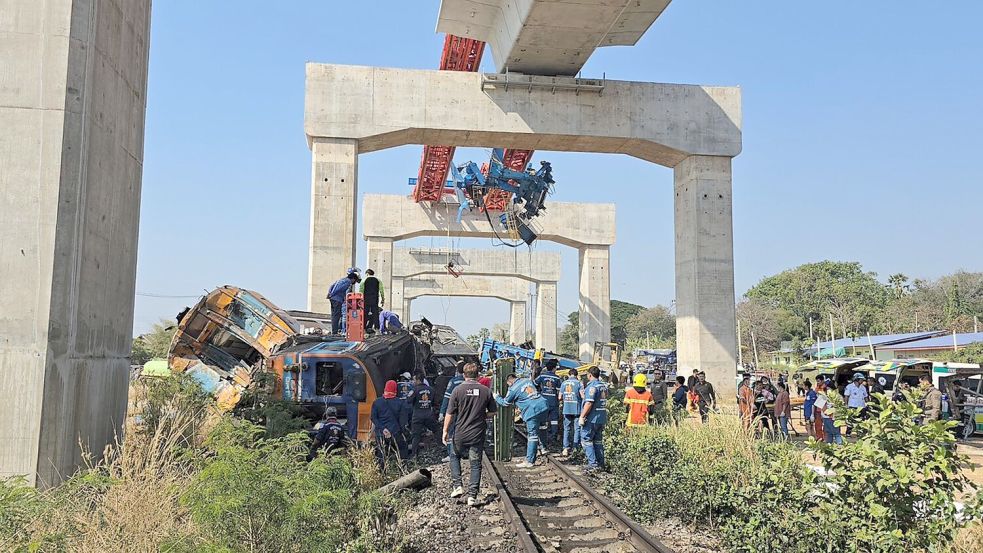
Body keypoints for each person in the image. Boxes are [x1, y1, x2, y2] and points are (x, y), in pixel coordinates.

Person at [443, 363, 497, 506]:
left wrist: (445, 431)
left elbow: (449, 413)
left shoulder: (457, 390)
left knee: (454, 456)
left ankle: (457, 485)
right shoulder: (485, 391)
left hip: (460, 432)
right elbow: (493, 412)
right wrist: (482, 415)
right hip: (477, 433)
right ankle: (472, 496)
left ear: (463, 375)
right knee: (475, 464)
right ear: (478, 375)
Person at [494, 372, 549, 468]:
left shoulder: (513, 389)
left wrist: (497, 397)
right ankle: (543, 448)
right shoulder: (527, 380)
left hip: (532, 410)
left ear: (509, 382)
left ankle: (530, 461)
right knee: (542, 427)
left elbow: (505, 403)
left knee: (532, 436)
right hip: (543, 405)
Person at [371, 380, 411, 465]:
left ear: (385, 388)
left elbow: (373, 418)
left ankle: (381, 473)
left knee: (381, 453)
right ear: (395, 390)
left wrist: (383, 429)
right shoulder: (400, 403)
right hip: (395, 433)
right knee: (402, 448)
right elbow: (403, 422)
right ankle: (402, 469)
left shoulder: (377, 402)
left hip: (380, 433)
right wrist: (403, 433)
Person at [579, 366, 609, 472]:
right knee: (598, 441)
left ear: (590, 375)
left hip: (592, 418)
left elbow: (589, 403)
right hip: (601, 417)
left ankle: (592, 464)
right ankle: (600, 463)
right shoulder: (603, 386)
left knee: (586, 439)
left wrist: (582, 416)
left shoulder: (592, 387)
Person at [408, 373, 441, 459]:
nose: (413, 381)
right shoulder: (431, 389)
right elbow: (436, 404)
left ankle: (414, 454)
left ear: (418, 380)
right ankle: (441, 447)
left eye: (414, 380)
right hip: (428, 414)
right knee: (437, 429)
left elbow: (408, 400)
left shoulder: (414, 390)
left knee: (416, 435)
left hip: (417, 416)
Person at [439, 363, 466, 461]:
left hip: (454, 411)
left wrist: (442, 412)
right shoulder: (468, 382)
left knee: (451, 432)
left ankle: (451, 455)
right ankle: (462, 452)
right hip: (466, 411)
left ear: (457, 371)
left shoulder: (453, 382)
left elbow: (447, 397)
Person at [534, 359, 563, 447]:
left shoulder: (542, 376)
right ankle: (553, 437)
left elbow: (534, 383)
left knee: (543, 420)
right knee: (554, 420)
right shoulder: (557, 378)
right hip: (553, 401)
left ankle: (543, 438)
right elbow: (559, 391)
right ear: (554, 368)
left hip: (543, 401)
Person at [327, 268, 360, 334]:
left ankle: (334, 331)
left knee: (334, 315)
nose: (354, 283)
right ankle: (334, 332)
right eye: (355, 281)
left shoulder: (342, 279)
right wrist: (332, 294)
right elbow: (339, 289)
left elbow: (332, 286)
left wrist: (329, 293)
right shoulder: (348, 282)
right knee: (337, 316)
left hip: (333, 298)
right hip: (337, 299)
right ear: (353, 279)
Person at [560, 369, 583, 456]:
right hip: (577, 408)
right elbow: (583, 396)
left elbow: (559, 397)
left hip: (566, 408)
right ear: (576, 375)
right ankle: (575, 448)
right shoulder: (579, 383)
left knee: (567, 428)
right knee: (577, 428)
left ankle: (565, 448)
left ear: (569, 375)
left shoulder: (563, 383)